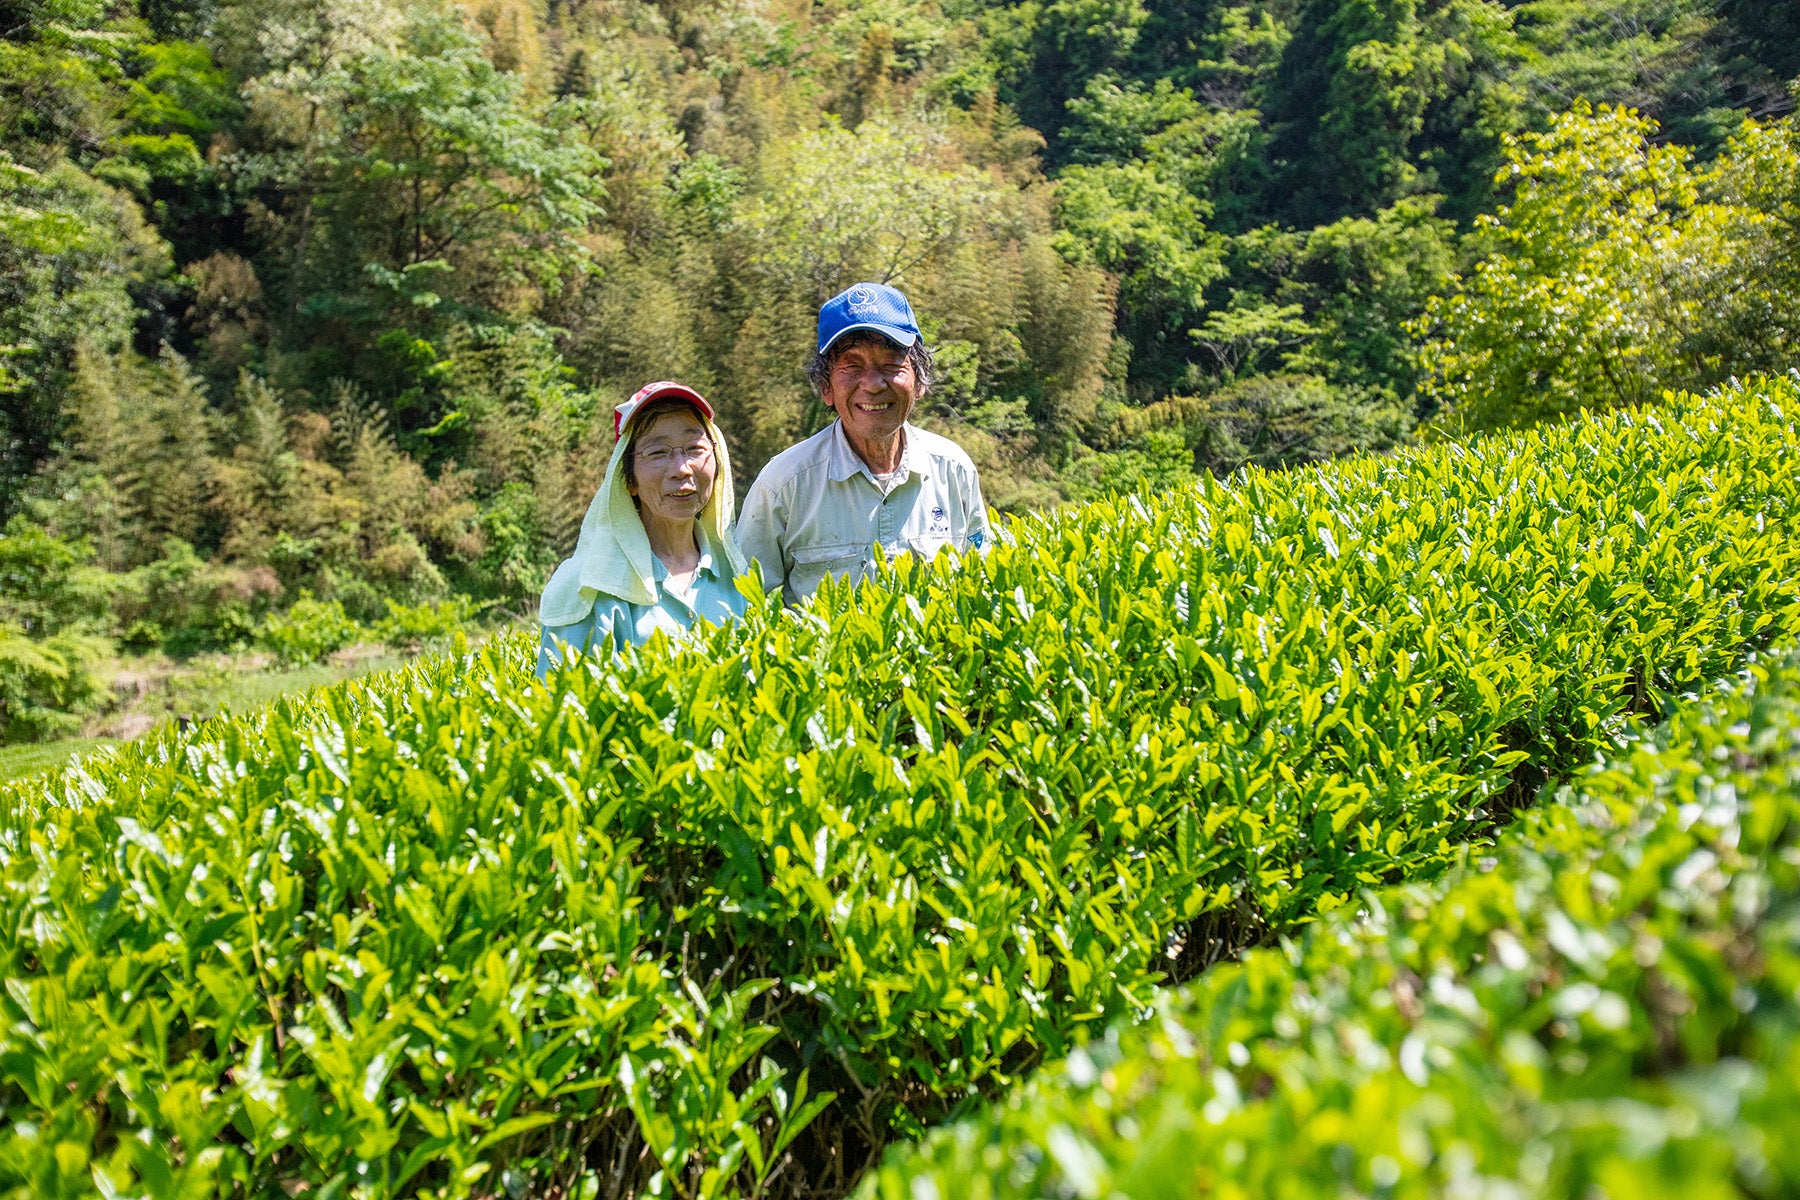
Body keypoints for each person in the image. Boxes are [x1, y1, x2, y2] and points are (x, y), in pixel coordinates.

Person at [737, 282, 990, 605]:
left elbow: (983, 588)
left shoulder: (953, 469)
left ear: (919, 380)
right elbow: (741, 605)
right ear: (825, 388)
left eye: (890, 364)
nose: (872, 384)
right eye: (852, 366)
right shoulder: (784, 484)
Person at [536, 381, 747, 675]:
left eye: (694, 448)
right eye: (658, 452)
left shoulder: (739, 577)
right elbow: (561, 711)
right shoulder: (587, 589)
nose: (681, 468)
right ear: (629, 481)